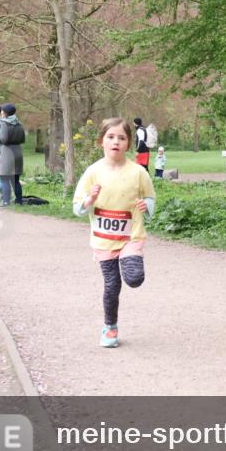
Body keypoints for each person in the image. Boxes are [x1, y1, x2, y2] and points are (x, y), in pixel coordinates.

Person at [73, 117, 156, 348]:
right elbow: (77, 207)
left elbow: (150, 198)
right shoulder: (93, 172)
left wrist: (146, 207)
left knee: (134, 278)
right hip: (104, 239)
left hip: (131, 235)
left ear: (128, 143)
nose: (115, 142)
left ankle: (128, 261)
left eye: (121, 138)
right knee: (112, 285)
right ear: (101, 141)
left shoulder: (138, 172)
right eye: (110, 137)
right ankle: (110, 328)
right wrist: (89, 199)